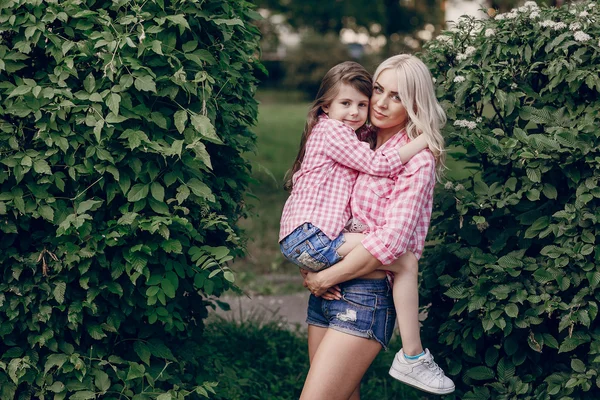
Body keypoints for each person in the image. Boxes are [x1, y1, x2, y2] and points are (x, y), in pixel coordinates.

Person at [299, 54, 454, 399]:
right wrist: (310, 260)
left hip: (362, 298)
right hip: (326, 292)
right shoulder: (357, 137)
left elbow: (392, 242)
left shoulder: (418, 159)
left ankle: (414, 357)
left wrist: (326, 276)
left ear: (415, 104)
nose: (381, 103)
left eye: (397, 96)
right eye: (379, 90)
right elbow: (319, 201)